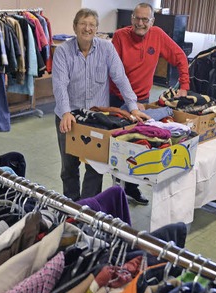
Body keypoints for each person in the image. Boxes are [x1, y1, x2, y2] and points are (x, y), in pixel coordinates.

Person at [52, 8, 150, 201]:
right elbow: (60, 85)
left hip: (96, 119)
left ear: (97, 29)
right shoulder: (63, 51)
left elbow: (120, 78)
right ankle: (71, 207)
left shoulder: (106, 48)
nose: (87, 29)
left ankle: (87, 208)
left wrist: (133, 107)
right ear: (75, 27)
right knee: (69, 167)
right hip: (70, 117)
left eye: (92, 25)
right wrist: (65, 112)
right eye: (83, 24)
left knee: (95, 167)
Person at [109, 2, 190, 205]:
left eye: (145, 19)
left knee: (138, 145)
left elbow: (180, 56)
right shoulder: (120, 36)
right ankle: (115, 192)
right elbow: (115, 72)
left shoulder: (158, 35)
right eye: (137, 18)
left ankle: (131, 187)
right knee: (118, 145)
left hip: (142, 99)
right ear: (131, 19)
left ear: (152, 21)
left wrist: (184, 87)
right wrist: (130, 103)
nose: (140, 23)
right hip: (117, 98)